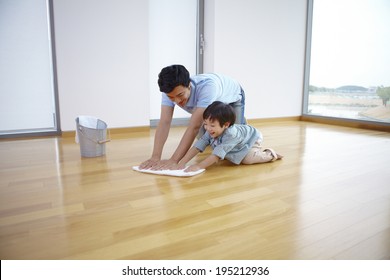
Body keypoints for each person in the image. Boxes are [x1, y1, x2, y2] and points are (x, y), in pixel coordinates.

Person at [139, 65, 247, 170]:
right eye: (171, 97)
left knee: (233, 142)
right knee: (206, 136)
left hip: (232, 98)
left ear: (189, 85)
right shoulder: (169, 92)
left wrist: (174, 160)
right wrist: (155, 157)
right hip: (212, 103)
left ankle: (240, 124)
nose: (176, 101)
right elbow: (164, 122)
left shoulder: (207, 87)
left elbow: (194, 127)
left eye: (180, 95)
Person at [175, 101, 283, 172]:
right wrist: (182, 162)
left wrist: (199, 166)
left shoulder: (231, 135)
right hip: (239, 137)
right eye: (205, 124)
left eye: (212, 125)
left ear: (226, 125)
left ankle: (270, 154)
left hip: (251, 139)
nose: (207, 128)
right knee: (226, 152)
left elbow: (216, 155)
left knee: (246, 160)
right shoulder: (211, 129)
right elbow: (198, 146)